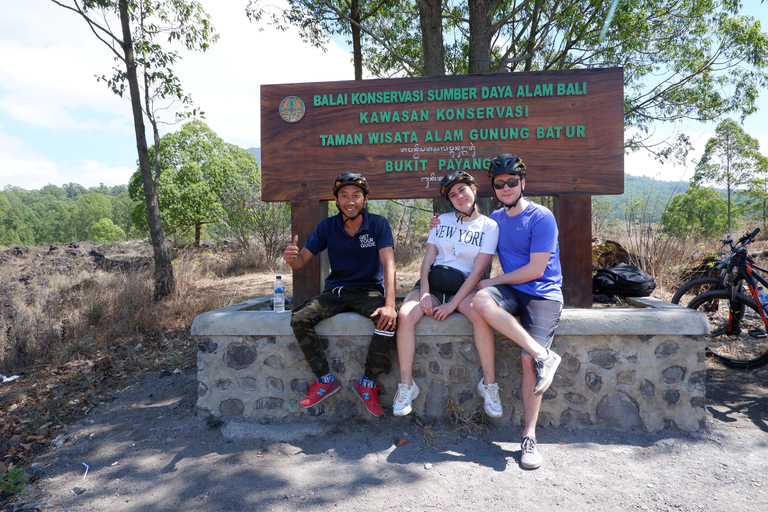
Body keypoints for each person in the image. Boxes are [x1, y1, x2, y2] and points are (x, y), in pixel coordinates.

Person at [470, 153, 564, 470]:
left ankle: (528, 437)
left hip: (543, 293)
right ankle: (544, 354)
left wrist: (493, 280)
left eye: (512, 181)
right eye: (500, 183)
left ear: (523, 183)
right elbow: (469, 233)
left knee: (527, 360)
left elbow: (536, 269)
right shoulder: (495, 219)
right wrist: (441, 224)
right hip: (512, 292)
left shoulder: (541, 217)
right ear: (494, 188)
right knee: (480, 302)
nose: (506, 187)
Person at [282, 172, 397, 417]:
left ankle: (367, 384)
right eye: (344, 195)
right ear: (336, 200)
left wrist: (390, 304)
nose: (350, 200)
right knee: (299, 318)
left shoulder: (378, 224)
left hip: (368, 291)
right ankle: (324, 379)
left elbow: (389, 264)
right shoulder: (327, 226)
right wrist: (292, 258)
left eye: (356, 195)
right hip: (336, 291)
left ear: (365, 199)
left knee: (387, 321)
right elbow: (301, 261)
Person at [392, 171, 500, 417]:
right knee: (405, 315)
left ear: (473, 189)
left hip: (462, 285)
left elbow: (477, 272)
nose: (459, 196)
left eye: (462, 190)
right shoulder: (441, 221)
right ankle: (407, 386)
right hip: (433, 282)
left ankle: (490, 386)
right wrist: (425, 294)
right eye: (453, 195)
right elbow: (427, 260)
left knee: (481, 317)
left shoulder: (489, 226)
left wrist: (452, 305)